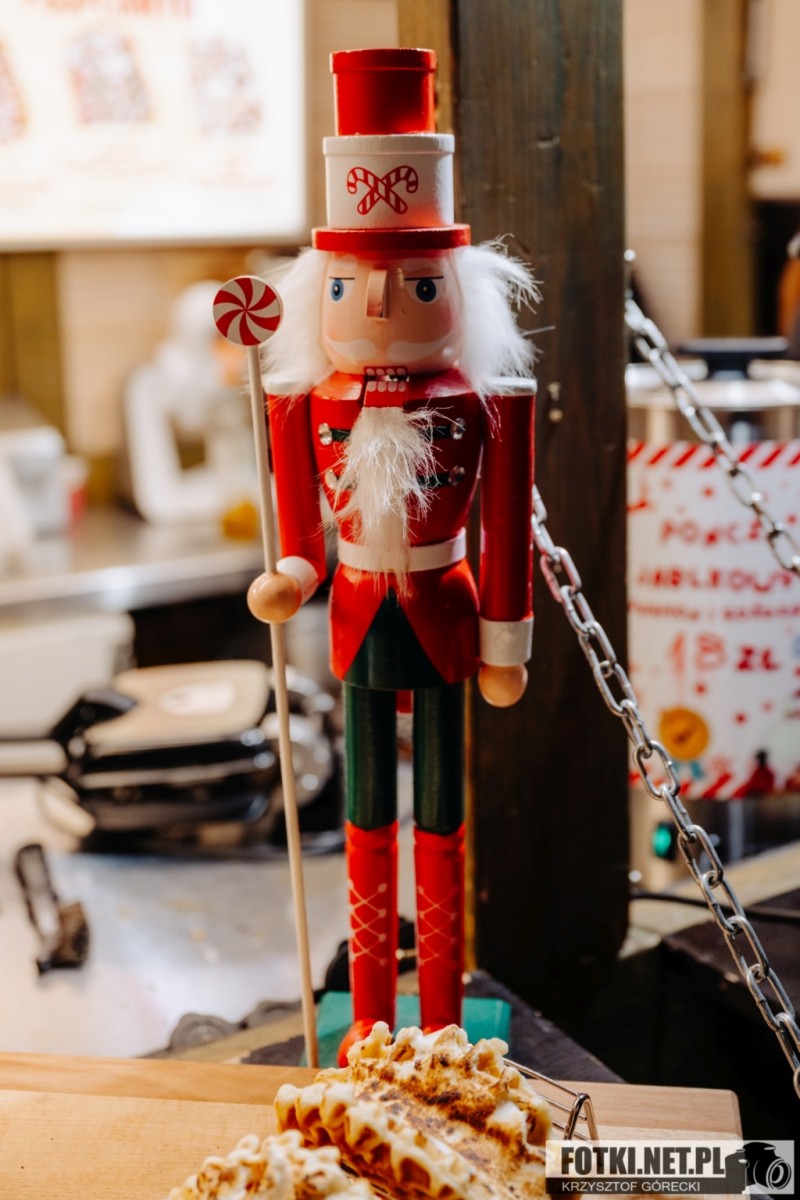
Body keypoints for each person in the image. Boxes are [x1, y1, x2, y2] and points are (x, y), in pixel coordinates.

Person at [247, 48, 537, 1062]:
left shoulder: (488, 404)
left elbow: (505, 528)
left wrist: (506, 642)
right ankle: (370, 1011)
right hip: (358, 611)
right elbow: (299, 530)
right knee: (366, 814)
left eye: (413, 283)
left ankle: (443, 1010)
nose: (375, 308)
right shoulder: (300, 403)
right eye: (347, 283)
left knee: (441, 818)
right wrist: (289, 576)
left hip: (447, 607)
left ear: (459, 289)